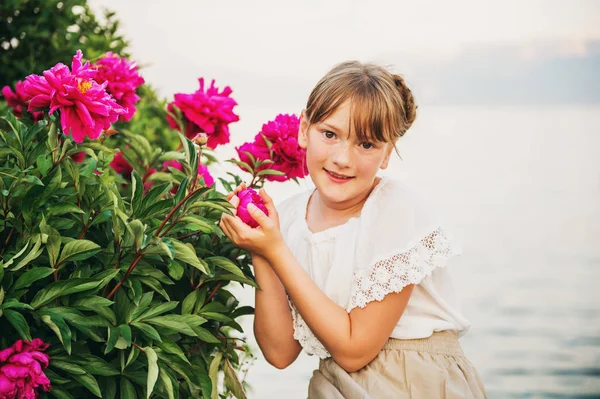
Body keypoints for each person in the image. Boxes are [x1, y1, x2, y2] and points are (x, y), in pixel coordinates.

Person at [219, 61, 487, 398]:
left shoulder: (394, 208)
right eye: (329, 135)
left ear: (387, 153)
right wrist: (261, 250)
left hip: (413, 381)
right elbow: (279, 353)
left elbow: (355, 349)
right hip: (336, 385)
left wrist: (276, 250)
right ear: (304, 129)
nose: (343, 158)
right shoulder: (287, 219)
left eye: (367, 145)